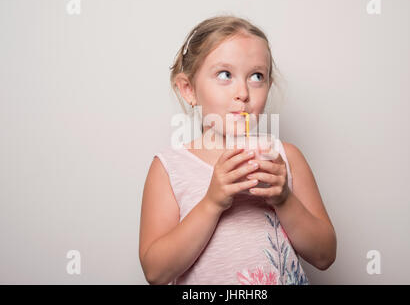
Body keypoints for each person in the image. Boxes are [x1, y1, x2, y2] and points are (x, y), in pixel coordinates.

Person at [139, 15, 336, 285]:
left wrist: (284, 199)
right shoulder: (169, 167)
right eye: (225, 75)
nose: (242, 92)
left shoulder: (287, 159)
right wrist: (212, 202)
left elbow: (325, 256)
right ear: (188, 90)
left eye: (257, 76)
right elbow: (156, 272)